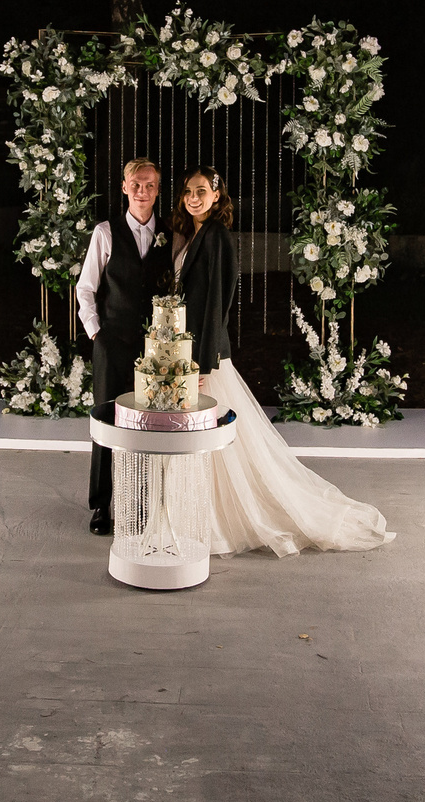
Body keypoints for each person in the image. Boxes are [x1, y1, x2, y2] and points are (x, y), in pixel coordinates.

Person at [164, 167, 395, 557]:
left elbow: (217, 302)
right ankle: (198, 512)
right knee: (206, 441)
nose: (193, 198)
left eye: (201, 191)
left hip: (205, 356)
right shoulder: (194, 235)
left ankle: (219, 520)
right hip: (188, 350)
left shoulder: (217, 236)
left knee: (216, 440)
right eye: (188, 191)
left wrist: (202, 365)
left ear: (217, 197)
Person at [74, 157, 170, 535]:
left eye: (149, 185)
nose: (142, 191)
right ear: (124, 188)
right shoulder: (106, 231)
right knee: (105, 422)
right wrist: (96, 331)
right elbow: (85, 287)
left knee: (148, 426)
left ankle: (142, 505)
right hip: (112, 342)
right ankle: (101, 505)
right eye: (136, 185)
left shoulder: (170, 232)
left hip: (153, 349)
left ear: (157, 190)